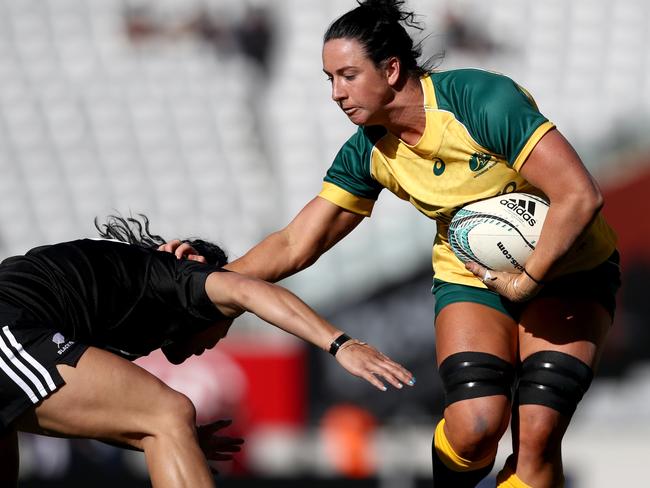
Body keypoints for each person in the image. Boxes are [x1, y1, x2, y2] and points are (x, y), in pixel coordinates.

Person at [163, 1, 621, 486]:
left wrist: (528, 279)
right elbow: (297, 241)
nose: (337, 94)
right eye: (329, 79)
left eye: (348, 75)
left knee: (539, 435)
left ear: (392, 69)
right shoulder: (368, 149)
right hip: (474, 275)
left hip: (570, 270)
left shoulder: (480, 100)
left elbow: (579, 195)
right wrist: (209, 287)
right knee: (475, 427)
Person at [0, 215, 414, 488]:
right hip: (9, 328)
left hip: (16, 336)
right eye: (225, 320)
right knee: (167, 412)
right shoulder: (176, 276)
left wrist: (177, 440)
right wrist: (341, 344)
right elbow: (250, 289)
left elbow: (86, 411)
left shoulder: (126, 299)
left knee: (163, 420)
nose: (217, 340)